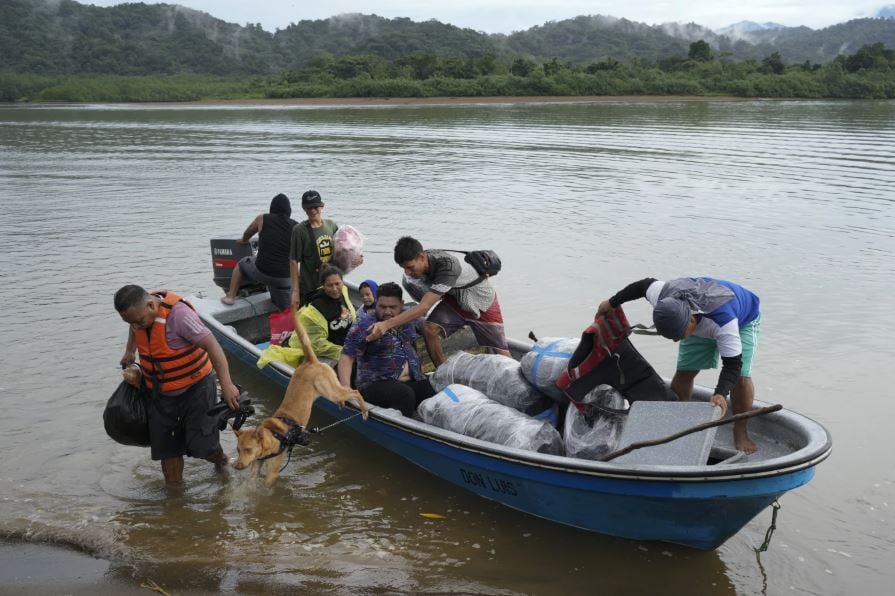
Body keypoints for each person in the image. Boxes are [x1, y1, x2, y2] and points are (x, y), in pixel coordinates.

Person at [596, 277, 761, 453]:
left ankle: (740, 430)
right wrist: (611, 302)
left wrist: (720, 393)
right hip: (696, 323)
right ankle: (677, 422)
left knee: (741, 377)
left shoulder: (724, 322)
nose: (675, 341)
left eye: (678, 336)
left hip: (743, 318)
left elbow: (733, 365)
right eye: (671, 337)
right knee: (684, 372)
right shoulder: (663, 296)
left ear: (691, 320)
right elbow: (642, 286)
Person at [115, 285, 240, 485]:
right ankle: (174, 503)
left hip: (196, 387)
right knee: (167, 450)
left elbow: (212, 346)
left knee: (203, 447)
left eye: (139, 321)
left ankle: (222, 460)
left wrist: (226, 384)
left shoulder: (179, 316)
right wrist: (130, 350)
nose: (136, 326)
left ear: (150, 305)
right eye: (131, 323)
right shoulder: (138, 316)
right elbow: (134, 325)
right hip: (160, 392)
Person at [366, 236, 510, 367]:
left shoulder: (448, 267)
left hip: (481, 300)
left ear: (422, 257)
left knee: (500, 350)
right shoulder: (426, 259)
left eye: (410, 268)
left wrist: (386, 324)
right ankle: (443, 372)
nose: (408, 273)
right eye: (404, 269)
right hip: (455, 299)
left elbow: (424, 306)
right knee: (429, 328)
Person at [338, 282, 435, 417]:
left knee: (430, 391)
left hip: (412, 379)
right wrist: (345, 388)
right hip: (375, 383)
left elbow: (431, 329)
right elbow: (347, 357)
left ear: (401, 304)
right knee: (404, 395)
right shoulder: (364, 325)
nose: (387, 312)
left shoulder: (410, 317)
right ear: (376, 302)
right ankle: (401, 432)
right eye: (382, 307)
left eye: (392, 307)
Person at [257, 266, 356, 368]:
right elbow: (316, 345)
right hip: (318, 351)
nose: (335, 289)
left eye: (337, 284)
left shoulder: (343, 291)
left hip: (344, 345)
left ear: (342, 282)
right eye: (329, 285)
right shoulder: (314, 310)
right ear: (323, 286)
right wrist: (347, 352)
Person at [221, 193, 297, 311]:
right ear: (289, 210)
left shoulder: (262, 218)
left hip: (262, 273)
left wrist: (243, 241)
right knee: (285, 309)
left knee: (242, 263)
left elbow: (248, 233)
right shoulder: (296, 226)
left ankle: (231, 296)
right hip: (285, 278)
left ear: (272, 208)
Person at [289, 190, 339, 309]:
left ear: (322, 206)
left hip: (331, 285)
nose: (312, 210)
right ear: (303, 208)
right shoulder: (299, 230)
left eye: (315, 207)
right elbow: (293, 261)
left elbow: (342, 250)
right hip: (310, 287)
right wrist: (295, 291)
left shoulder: (331, 225)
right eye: (308, 207)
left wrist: (356, 257)